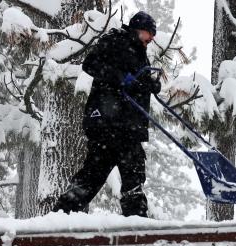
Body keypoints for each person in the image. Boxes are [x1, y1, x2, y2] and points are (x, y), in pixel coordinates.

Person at [54, 11, 161, 217]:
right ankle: (60, 216)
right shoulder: (115, 40)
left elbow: (139, 81)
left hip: (127, 125)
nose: (151, 39)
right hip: (108, 122)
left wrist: (151, 84)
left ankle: (135, 221)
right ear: (138, 30)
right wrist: (122, 78)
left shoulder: (140, 53)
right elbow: (91, 64)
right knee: (102, 173)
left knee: (126, 174)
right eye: (149, 34)